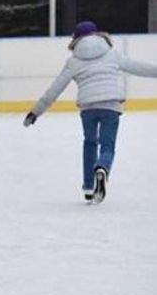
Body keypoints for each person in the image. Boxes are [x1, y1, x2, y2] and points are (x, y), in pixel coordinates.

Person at [24, 20, 157, 203]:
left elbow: (55, 89)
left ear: (76, 39)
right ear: (97, 35)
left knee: (90, 143)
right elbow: (138, 67)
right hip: (111, 105)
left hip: (88, 108)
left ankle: (88, 187)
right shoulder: (112, 54)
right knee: (107, 146)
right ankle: (102, 168)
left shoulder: (73, 61)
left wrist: (36, 112)